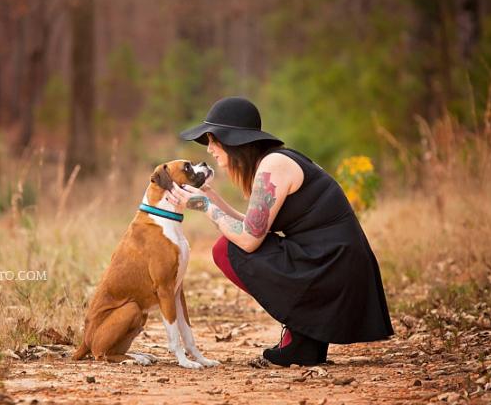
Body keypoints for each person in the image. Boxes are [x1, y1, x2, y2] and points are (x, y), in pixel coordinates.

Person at [165, 96, 394, 367]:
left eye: (214, 141)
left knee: (226, 250)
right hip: (334, 262)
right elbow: (254, 225)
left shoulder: (273, 166)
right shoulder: (276, 161)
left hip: (334, 266)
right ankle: (306, 339)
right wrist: (211, 196)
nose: (210, 150)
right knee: (232, 243)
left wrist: (203, 205)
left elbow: (249, 240)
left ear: (234, 141)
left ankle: (301, 332)